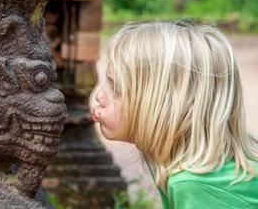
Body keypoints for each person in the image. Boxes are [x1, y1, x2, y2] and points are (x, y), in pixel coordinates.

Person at [89, 21, 258, 209]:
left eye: (116, 88)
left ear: (166, 105)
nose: (99, 96)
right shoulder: (195, 170)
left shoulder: (197, 185)